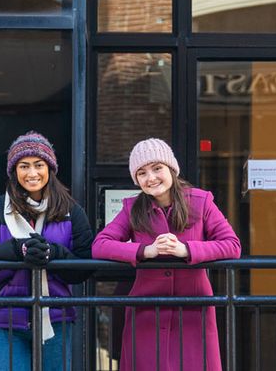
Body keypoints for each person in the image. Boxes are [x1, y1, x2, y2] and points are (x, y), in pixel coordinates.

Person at [92, 138, 241, 371]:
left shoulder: (201, 201)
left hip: (193, 311)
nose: (150, 178)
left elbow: (232, 245)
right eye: (141, 173)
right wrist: (146, 251)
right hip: (146, 312)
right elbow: (100, 245)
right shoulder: (132, 208)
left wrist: (187, 250)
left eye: (157, 168)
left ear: (171, 169)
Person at [0, 131, 94, 371]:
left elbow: (85, 267)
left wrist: (54, 254)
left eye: (39, 165)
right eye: (24, 166)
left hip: (56, 319)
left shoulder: (71, 211)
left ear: (50, 168)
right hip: (6, 320)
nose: (32, 173)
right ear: (14, 171)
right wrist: (16, 251)